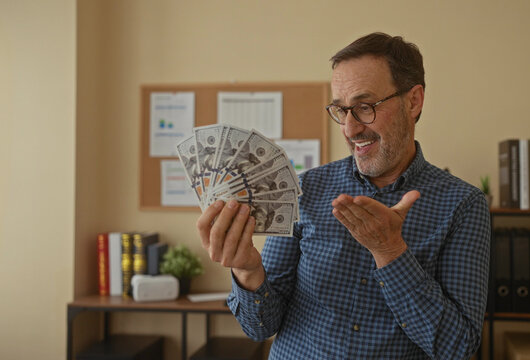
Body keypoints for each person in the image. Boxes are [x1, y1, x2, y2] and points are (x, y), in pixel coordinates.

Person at [197, 32, 491, 359]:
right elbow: (260, 327)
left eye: (365, 107)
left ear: (414, 101)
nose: (350, 129)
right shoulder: (304, 189)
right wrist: (248, 271)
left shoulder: (464, 206)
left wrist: (390, 252)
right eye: (341, 110)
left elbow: (458, 348)